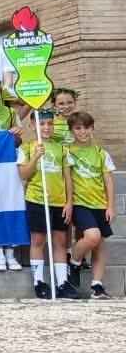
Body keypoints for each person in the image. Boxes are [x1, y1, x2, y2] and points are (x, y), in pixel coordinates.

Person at [19, 112, 73, 299]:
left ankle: (62, 283)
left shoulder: (62, 149)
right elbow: (23, 174)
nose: (46, 127)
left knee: (59, 242)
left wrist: (69, 202)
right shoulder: (26, 147)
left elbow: (67, 178)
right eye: (42, 124)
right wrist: (35, 157)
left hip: (59, 201)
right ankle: (39, 282)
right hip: (37, 199)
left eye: (50, 123)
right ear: (33, 126)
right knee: (38, 240)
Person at [63, 112, 115, 299]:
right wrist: (69, 202)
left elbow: (108, 179)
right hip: (79, 203)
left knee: (99, 245)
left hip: (99, 204)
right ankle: (74, 262)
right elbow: (67, 179)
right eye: (78, 128)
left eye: (86, 127)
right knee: (92, 236)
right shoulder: (67, 152)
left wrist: (110, 206)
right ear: (71, 131)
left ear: (92, 128)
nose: (82, 131)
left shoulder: (101, 153)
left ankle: (97, 285)